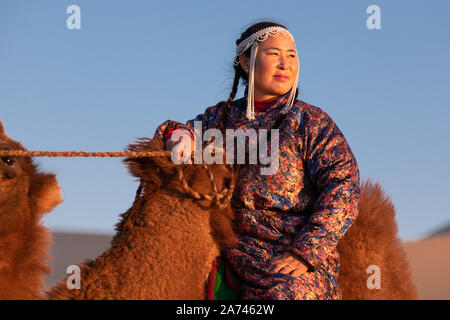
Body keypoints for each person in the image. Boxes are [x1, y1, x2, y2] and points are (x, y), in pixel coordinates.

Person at [153, 21, 361, 300]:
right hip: (230, 243)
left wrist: (305, 253)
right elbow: (180, 131)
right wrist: (179, 136)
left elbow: (344, 186)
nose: (285, 63)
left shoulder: (309, 121)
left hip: (291, 249)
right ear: (244, 61)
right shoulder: (221, 119)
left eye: (292, 55)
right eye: (274, 54)